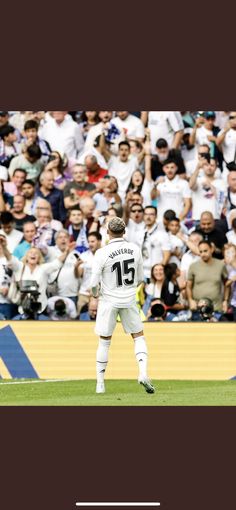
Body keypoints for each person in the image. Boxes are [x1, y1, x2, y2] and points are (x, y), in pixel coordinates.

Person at [90, 216, 155, 395]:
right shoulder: (135, 249)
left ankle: (100, 384)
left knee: (104, 341)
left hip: (108, 301)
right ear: (124, 231)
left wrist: (96, 294)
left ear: (107, 232)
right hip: (128, 299)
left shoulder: (101, 253)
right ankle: (143, 373)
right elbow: (141, 278)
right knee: (139, 337)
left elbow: (93, 283)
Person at [186, 240, 229, 318]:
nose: (203, 254)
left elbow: (227, 284)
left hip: (216, 309)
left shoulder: (220, 265)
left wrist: (225, 301)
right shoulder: (193, 266)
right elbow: (188, 286)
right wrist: (190, 300)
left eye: (205, 251)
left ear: (211, 249)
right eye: (201, 251)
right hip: (198, 309)